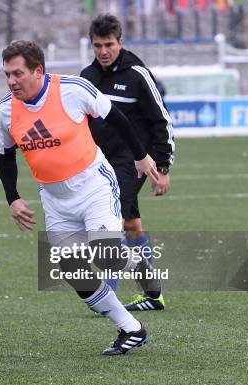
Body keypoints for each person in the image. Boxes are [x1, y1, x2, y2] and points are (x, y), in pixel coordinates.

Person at [0, 40, 161, 355]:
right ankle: (131, 328)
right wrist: (12, 198)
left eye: (18, 73)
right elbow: (4, 156)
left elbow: (116, 118)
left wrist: (141, 156)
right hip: (55, 200)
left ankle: (142, 267)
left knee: (106, 256)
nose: (12, 81)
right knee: (75, 273)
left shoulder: (72, 89)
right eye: (7, 74)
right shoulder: (5, 111)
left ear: (38, 70)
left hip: (94, 186)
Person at [80, 14, 174, 311]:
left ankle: (107, 294)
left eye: (109, 44)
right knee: (131, 224)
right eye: (98, 46)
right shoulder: (87, 77)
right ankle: (153, 292)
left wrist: (163, 165)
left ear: (120, 42)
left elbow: (161, 120)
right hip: (99, 162)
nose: (103, 51)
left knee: (110, 219)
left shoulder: (137, 74)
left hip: (133, 162)